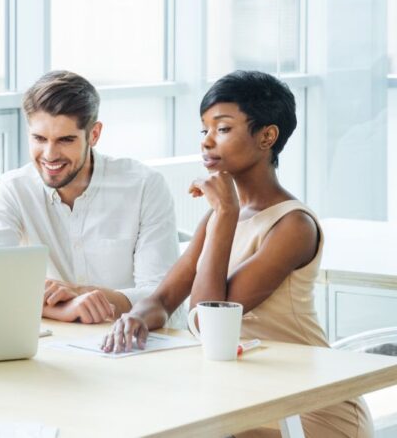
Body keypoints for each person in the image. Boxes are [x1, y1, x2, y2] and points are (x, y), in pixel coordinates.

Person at [101, 71, 370, 437]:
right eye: (204, 130)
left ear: (267, 136)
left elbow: (209, 323)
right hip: (245, 397)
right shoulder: (217, 216)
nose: (207, 142)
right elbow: (164, 299)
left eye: (222, 129)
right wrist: (134, 319)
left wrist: (225, 213)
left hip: (309, 408)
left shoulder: (293, 226)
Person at [0, 70, 178, 324]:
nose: (49, 154)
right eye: (39, 138)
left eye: (65, 140)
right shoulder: (13, 189)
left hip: (130, 343)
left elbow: (162, 298)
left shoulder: (145, 186)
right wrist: (65, 309)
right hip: (52, 345)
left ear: (94, 134)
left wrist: (81, 293)